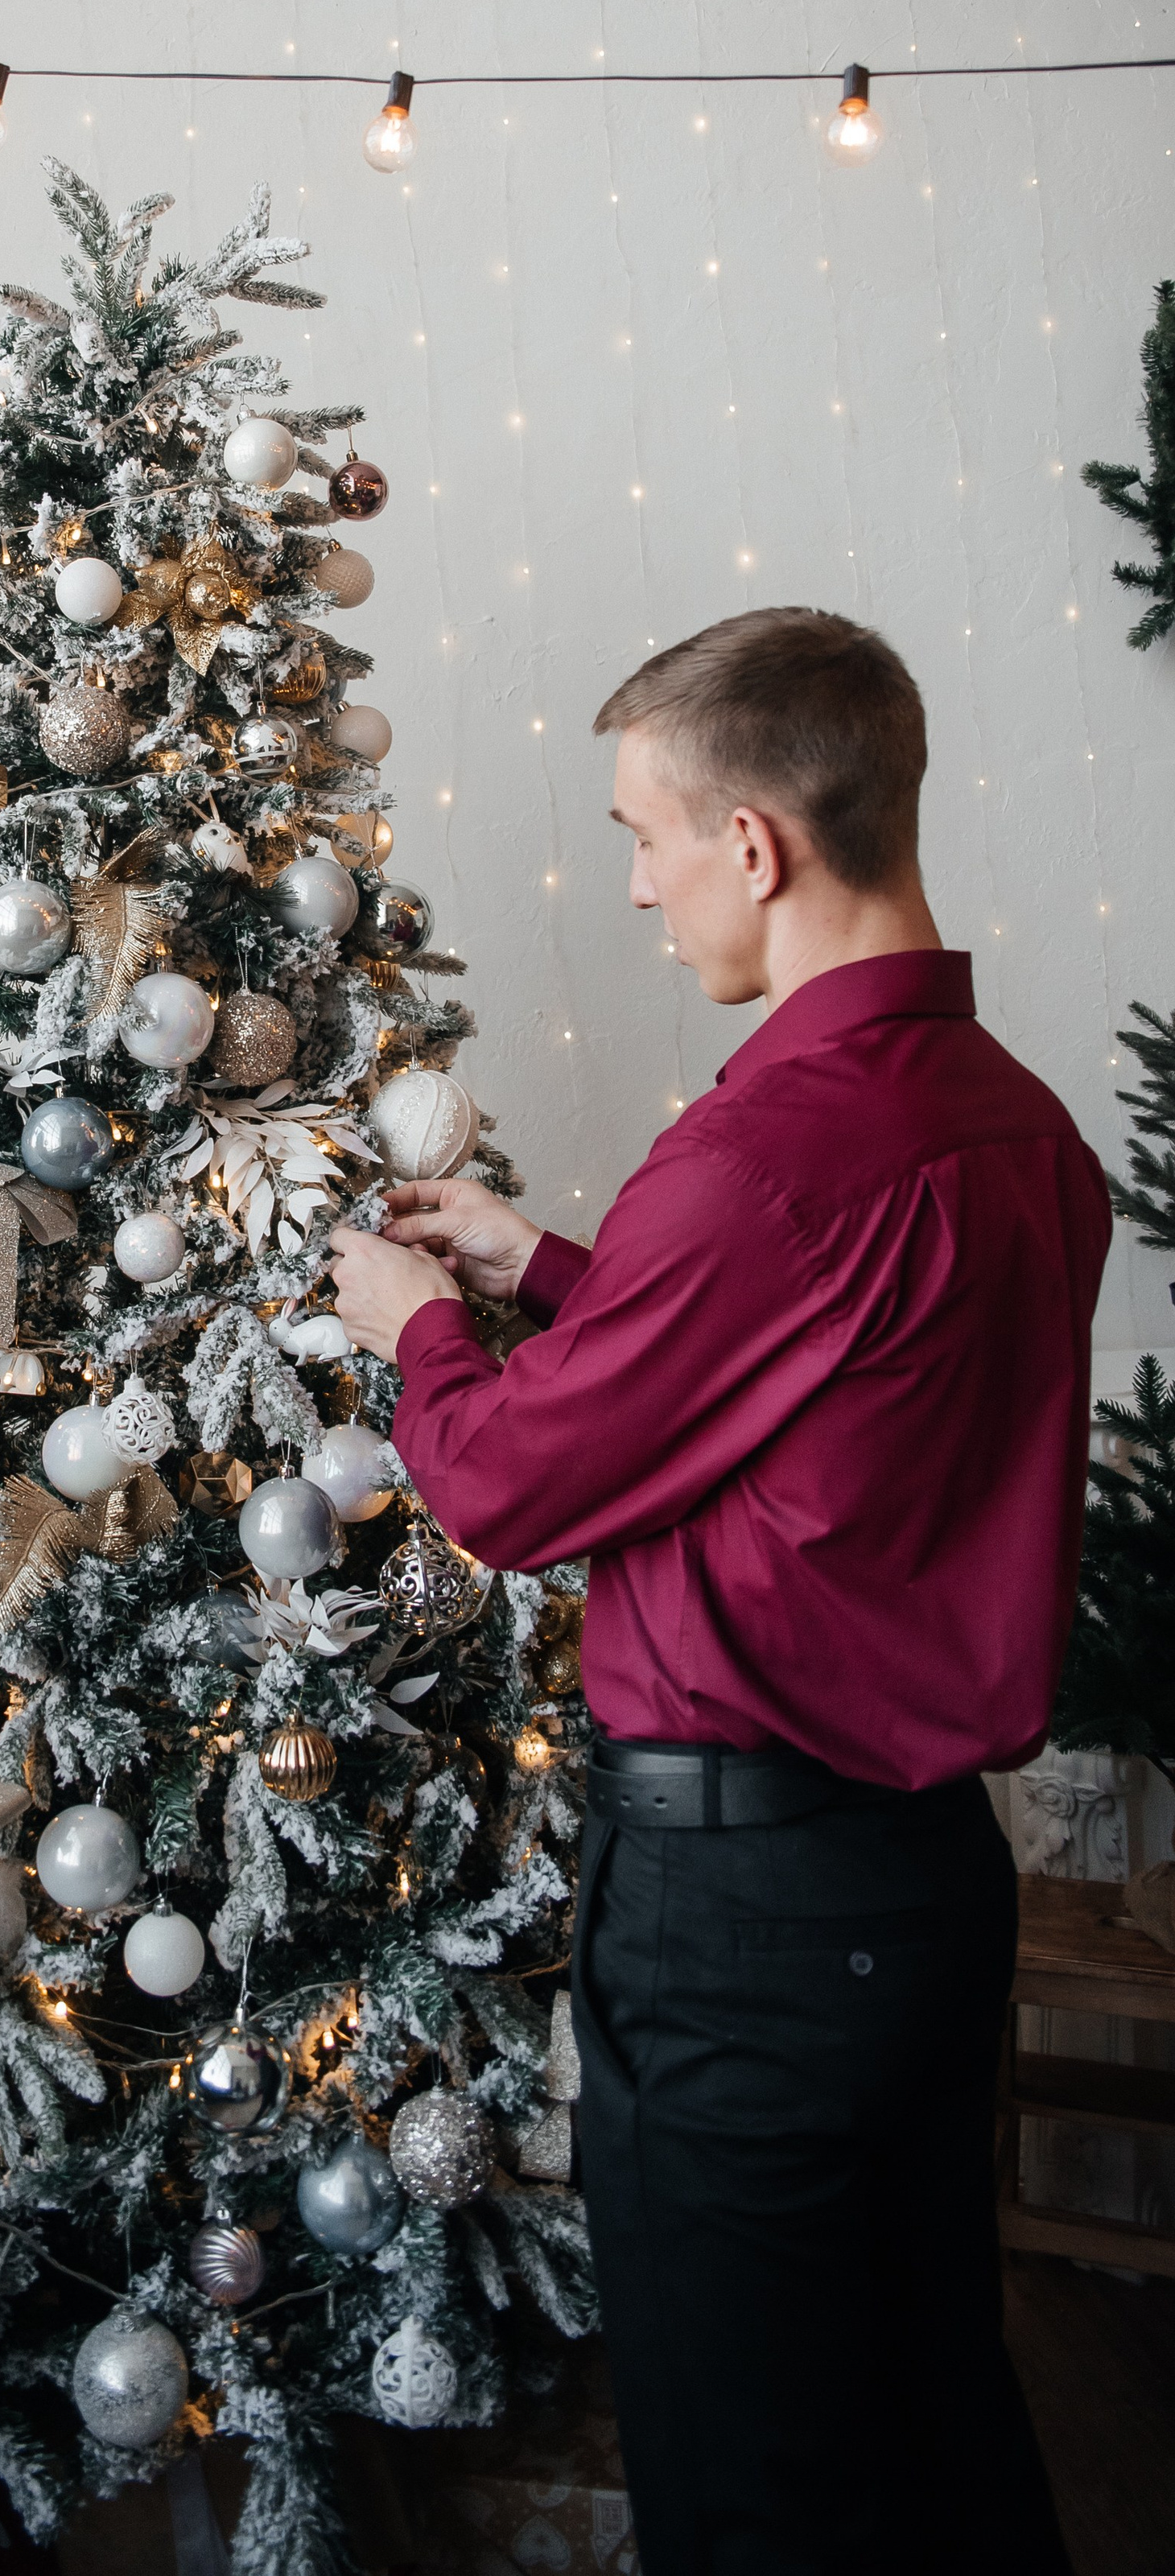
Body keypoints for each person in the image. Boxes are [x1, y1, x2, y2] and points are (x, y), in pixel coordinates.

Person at [329, 609, 1107, 2576]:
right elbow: (825, 1413)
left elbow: (508, 1482)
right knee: (932, 2422)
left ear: (750, 844)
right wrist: (554, 1270)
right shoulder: (1018, 1130)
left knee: (749, 2476)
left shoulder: (759, 1156)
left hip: (745, 1925)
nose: (640, 885)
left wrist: (422, 1322)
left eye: (639, 836)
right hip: (922, 1889)